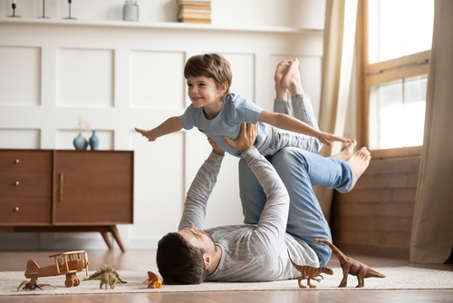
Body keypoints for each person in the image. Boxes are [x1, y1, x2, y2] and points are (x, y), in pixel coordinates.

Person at [156, 121, 371, 284]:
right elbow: (279, 195)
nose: (194, 228)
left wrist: (217, 153)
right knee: (287, 157)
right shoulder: (258, 254)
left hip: (261, 229)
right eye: (194, 234)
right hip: (309, 244)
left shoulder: (188, 249)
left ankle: (331, 163)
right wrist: (248, 150)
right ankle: (346, 174)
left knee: (249, 163)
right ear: (206, 262)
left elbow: (196, 200)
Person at [135, 54, 351, 158]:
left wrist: (318, 133)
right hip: (257, 151)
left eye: (201, 84)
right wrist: (154, 133)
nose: (193, 91)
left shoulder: (235, 106)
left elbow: (276, 119)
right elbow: (177, 122)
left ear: (222, 87)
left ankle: (294, 86)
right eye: (190, 84)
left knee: (315, 145)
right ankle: (282, 88)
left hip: (273, 141)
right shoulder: (195, 113)